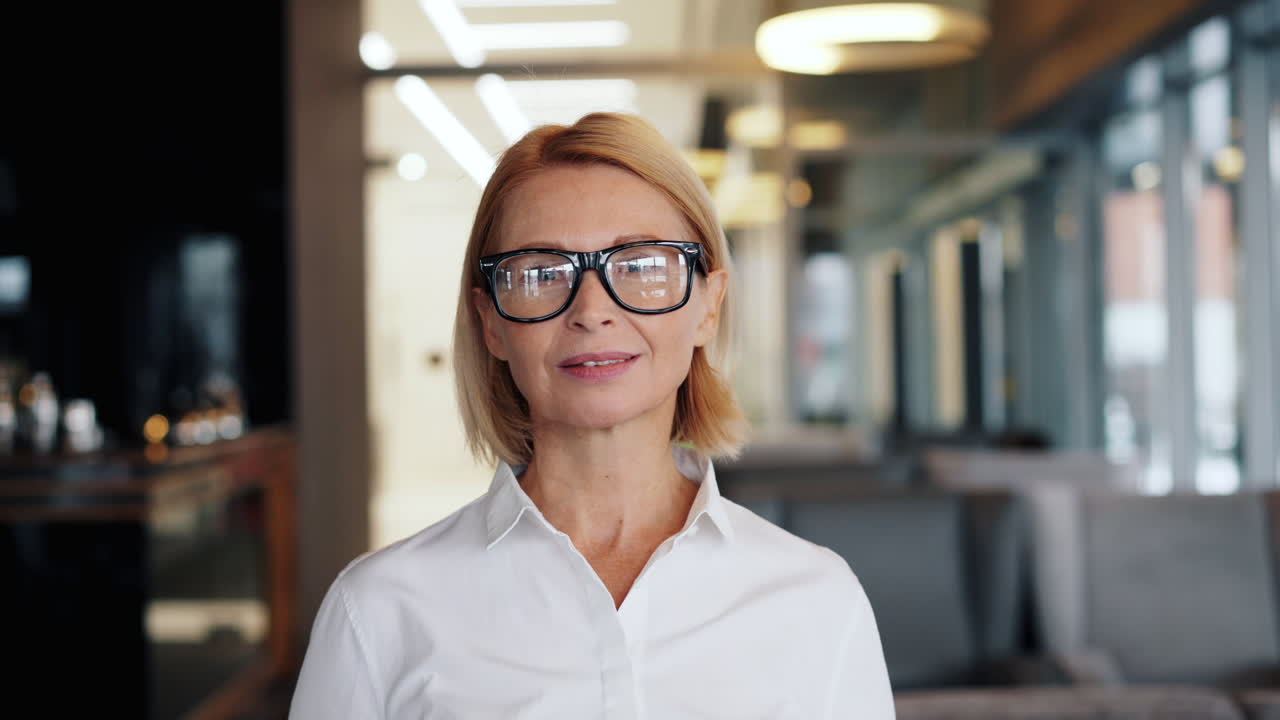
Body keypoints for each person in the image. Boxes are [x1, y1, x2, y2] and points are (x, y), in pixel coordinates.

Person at [289, 112, 894, 718]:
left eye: (639, 265)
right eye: (543, 274)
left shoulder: (817, 598)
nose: (592, 311)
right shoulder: (377, 612)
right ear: (491, 322)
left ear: (708, 306)